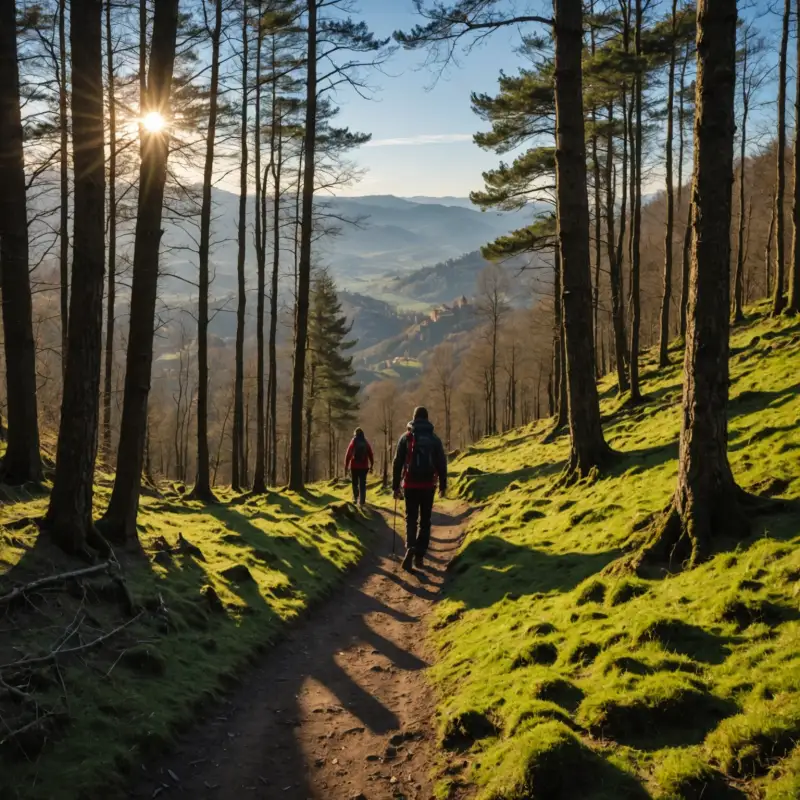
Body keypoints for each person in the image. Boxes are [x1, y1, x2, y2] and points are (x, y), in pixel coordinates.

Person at [392, 406, 447, 571]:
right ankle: (420, 556)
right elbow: (441, 463)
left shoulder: (406, 437)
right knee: (425, 521)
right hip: (428, 485)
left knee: (410, 519)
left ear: (414, 418)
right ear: (427, 419)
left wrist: (395, 486)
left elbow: (397, 462)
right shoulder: (434, 439)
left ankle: (410, 547)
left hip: (410, 484)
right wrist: (443, 485)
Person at [344, 427, 374, 506]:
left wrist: (346, 466)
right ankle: (362, 501)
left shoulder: (353, 441)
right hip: (364, 467)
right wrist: (372, 464)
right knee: (362, 484)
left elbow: (348, 454)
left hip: (354, 466)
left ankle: (355, 498)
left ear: (355, 434)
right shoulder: (365, 442)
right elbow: (370, 453)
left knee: (355, 483)